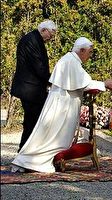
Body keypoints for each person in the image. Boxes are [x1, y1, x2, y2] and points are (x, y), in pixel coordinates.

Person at [11, 37, 112, 173]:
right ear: (82, 50)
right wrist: (104, 84)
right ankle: (32, 161)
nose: (90, 56)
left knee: (48, 135)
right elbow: (85, 83)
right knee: (52, 137)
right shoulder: (71, 62)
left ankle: (28, 160)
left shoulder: (70, 60)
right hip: (62, 106)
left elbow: (80, 82)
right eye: (89, 52)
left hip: (61, 103)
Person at [10, 20, 58, 152]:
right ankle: (24, 154)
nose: (51, 38)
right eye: (51, 34)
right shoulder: (31, 40)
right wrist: (54, 81)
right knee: (32, 122)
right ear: (44, 30)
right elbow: (39, 67)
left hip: (32, 89)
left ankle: (28, 153)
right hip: (29, 90)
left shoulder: (35, 39)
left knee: (33, 122)